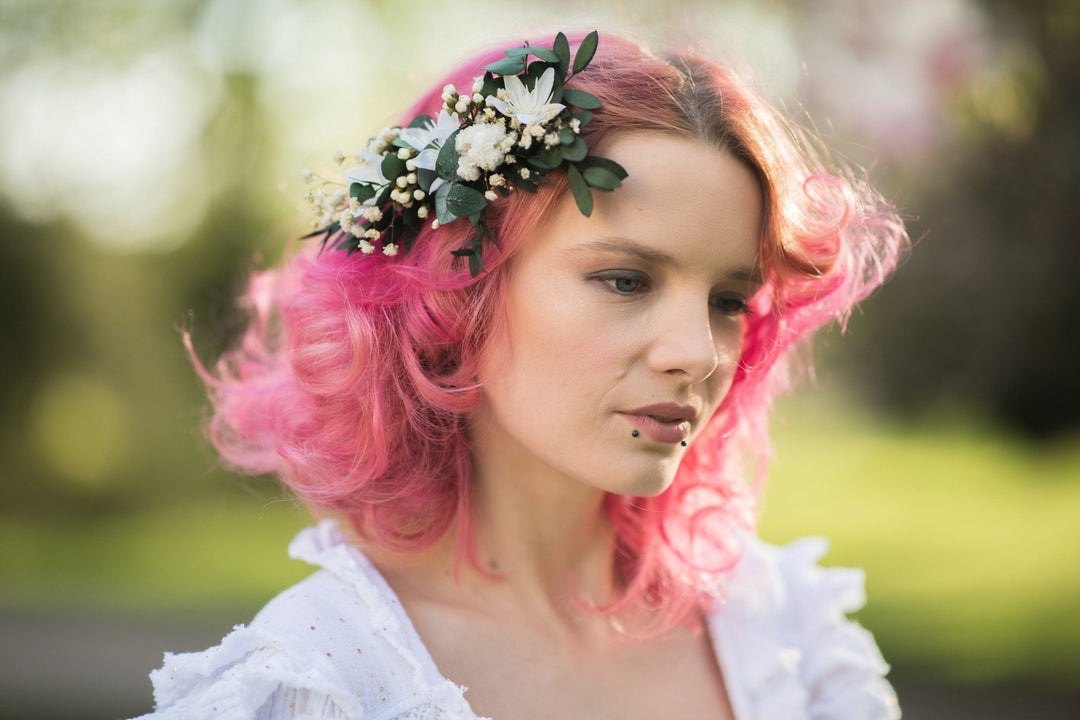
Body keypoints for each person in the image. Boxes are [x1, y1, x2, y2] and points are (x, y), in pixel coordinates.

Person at [134, 30, 906, 720]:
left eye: (729, 299)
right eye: (626, 280)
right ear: (459, 294)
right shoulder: (320, 683)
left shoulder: (784, 635)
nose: (699, 352)